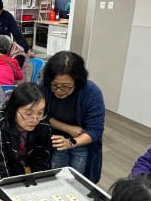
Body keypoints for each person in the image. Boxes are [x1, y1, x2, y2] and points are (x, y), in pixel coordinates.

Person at [40, 51, 105, 182]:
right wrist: (67, 128)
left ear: (77, 82)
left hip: (82, 143)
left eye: (66, 87)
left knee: (78, 182)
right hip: (54, 141)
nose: (59, 90)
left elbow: (95, 131)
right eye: (55, 85)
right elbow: (40, 115)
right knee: (55, 179)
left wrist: (71, 142)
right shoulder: (44, 86)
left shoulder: (91, 93)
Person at [0, 82, 55, 180]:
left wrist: (38, 182)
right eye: (28, 114)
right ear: (14, 109)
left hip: (27, 177)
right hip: (5, 179)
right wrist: (12, 186)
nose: (35, 120)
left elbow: (42, 160)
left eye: (40, 113)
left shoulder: (43, 122)